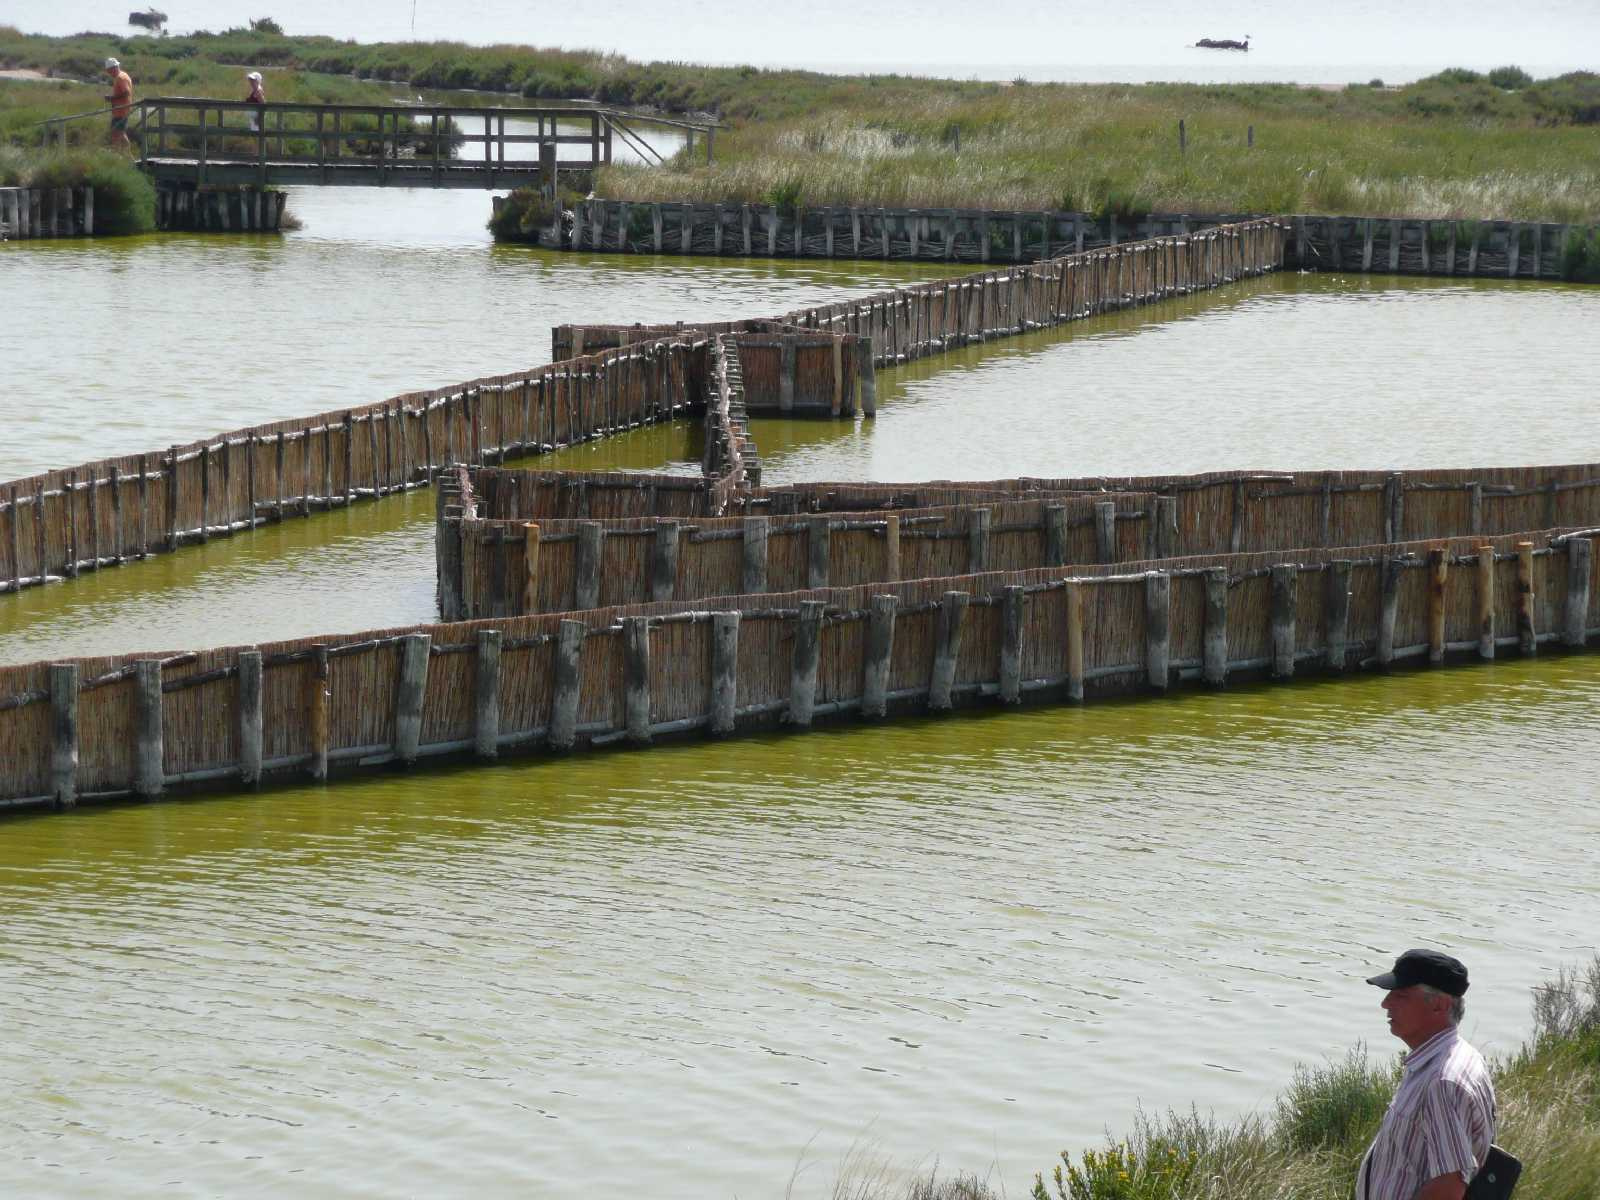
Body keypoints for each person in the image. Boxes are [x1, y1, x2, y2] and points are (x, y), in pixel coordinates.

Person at [1356, 949, 1497, 1200]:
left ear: (1439, 1005)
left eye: (1401, 995)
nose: (1385, 1003)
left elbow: (1448, 1188)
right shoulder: (1455, 1058)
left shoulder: (1441, 1082)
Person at [103, 58, 134, 150]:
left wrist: (112, 98)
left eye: (109, 70)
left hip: (121, 110)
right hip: (120, 110)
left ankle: (121, 154)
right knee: (119, 133)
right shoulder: (123, 75)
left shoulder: (120, 78)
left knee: (116, 133)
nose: (108, 73)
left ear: (113, 68)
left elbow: (126, 92)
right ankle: (124, 154)